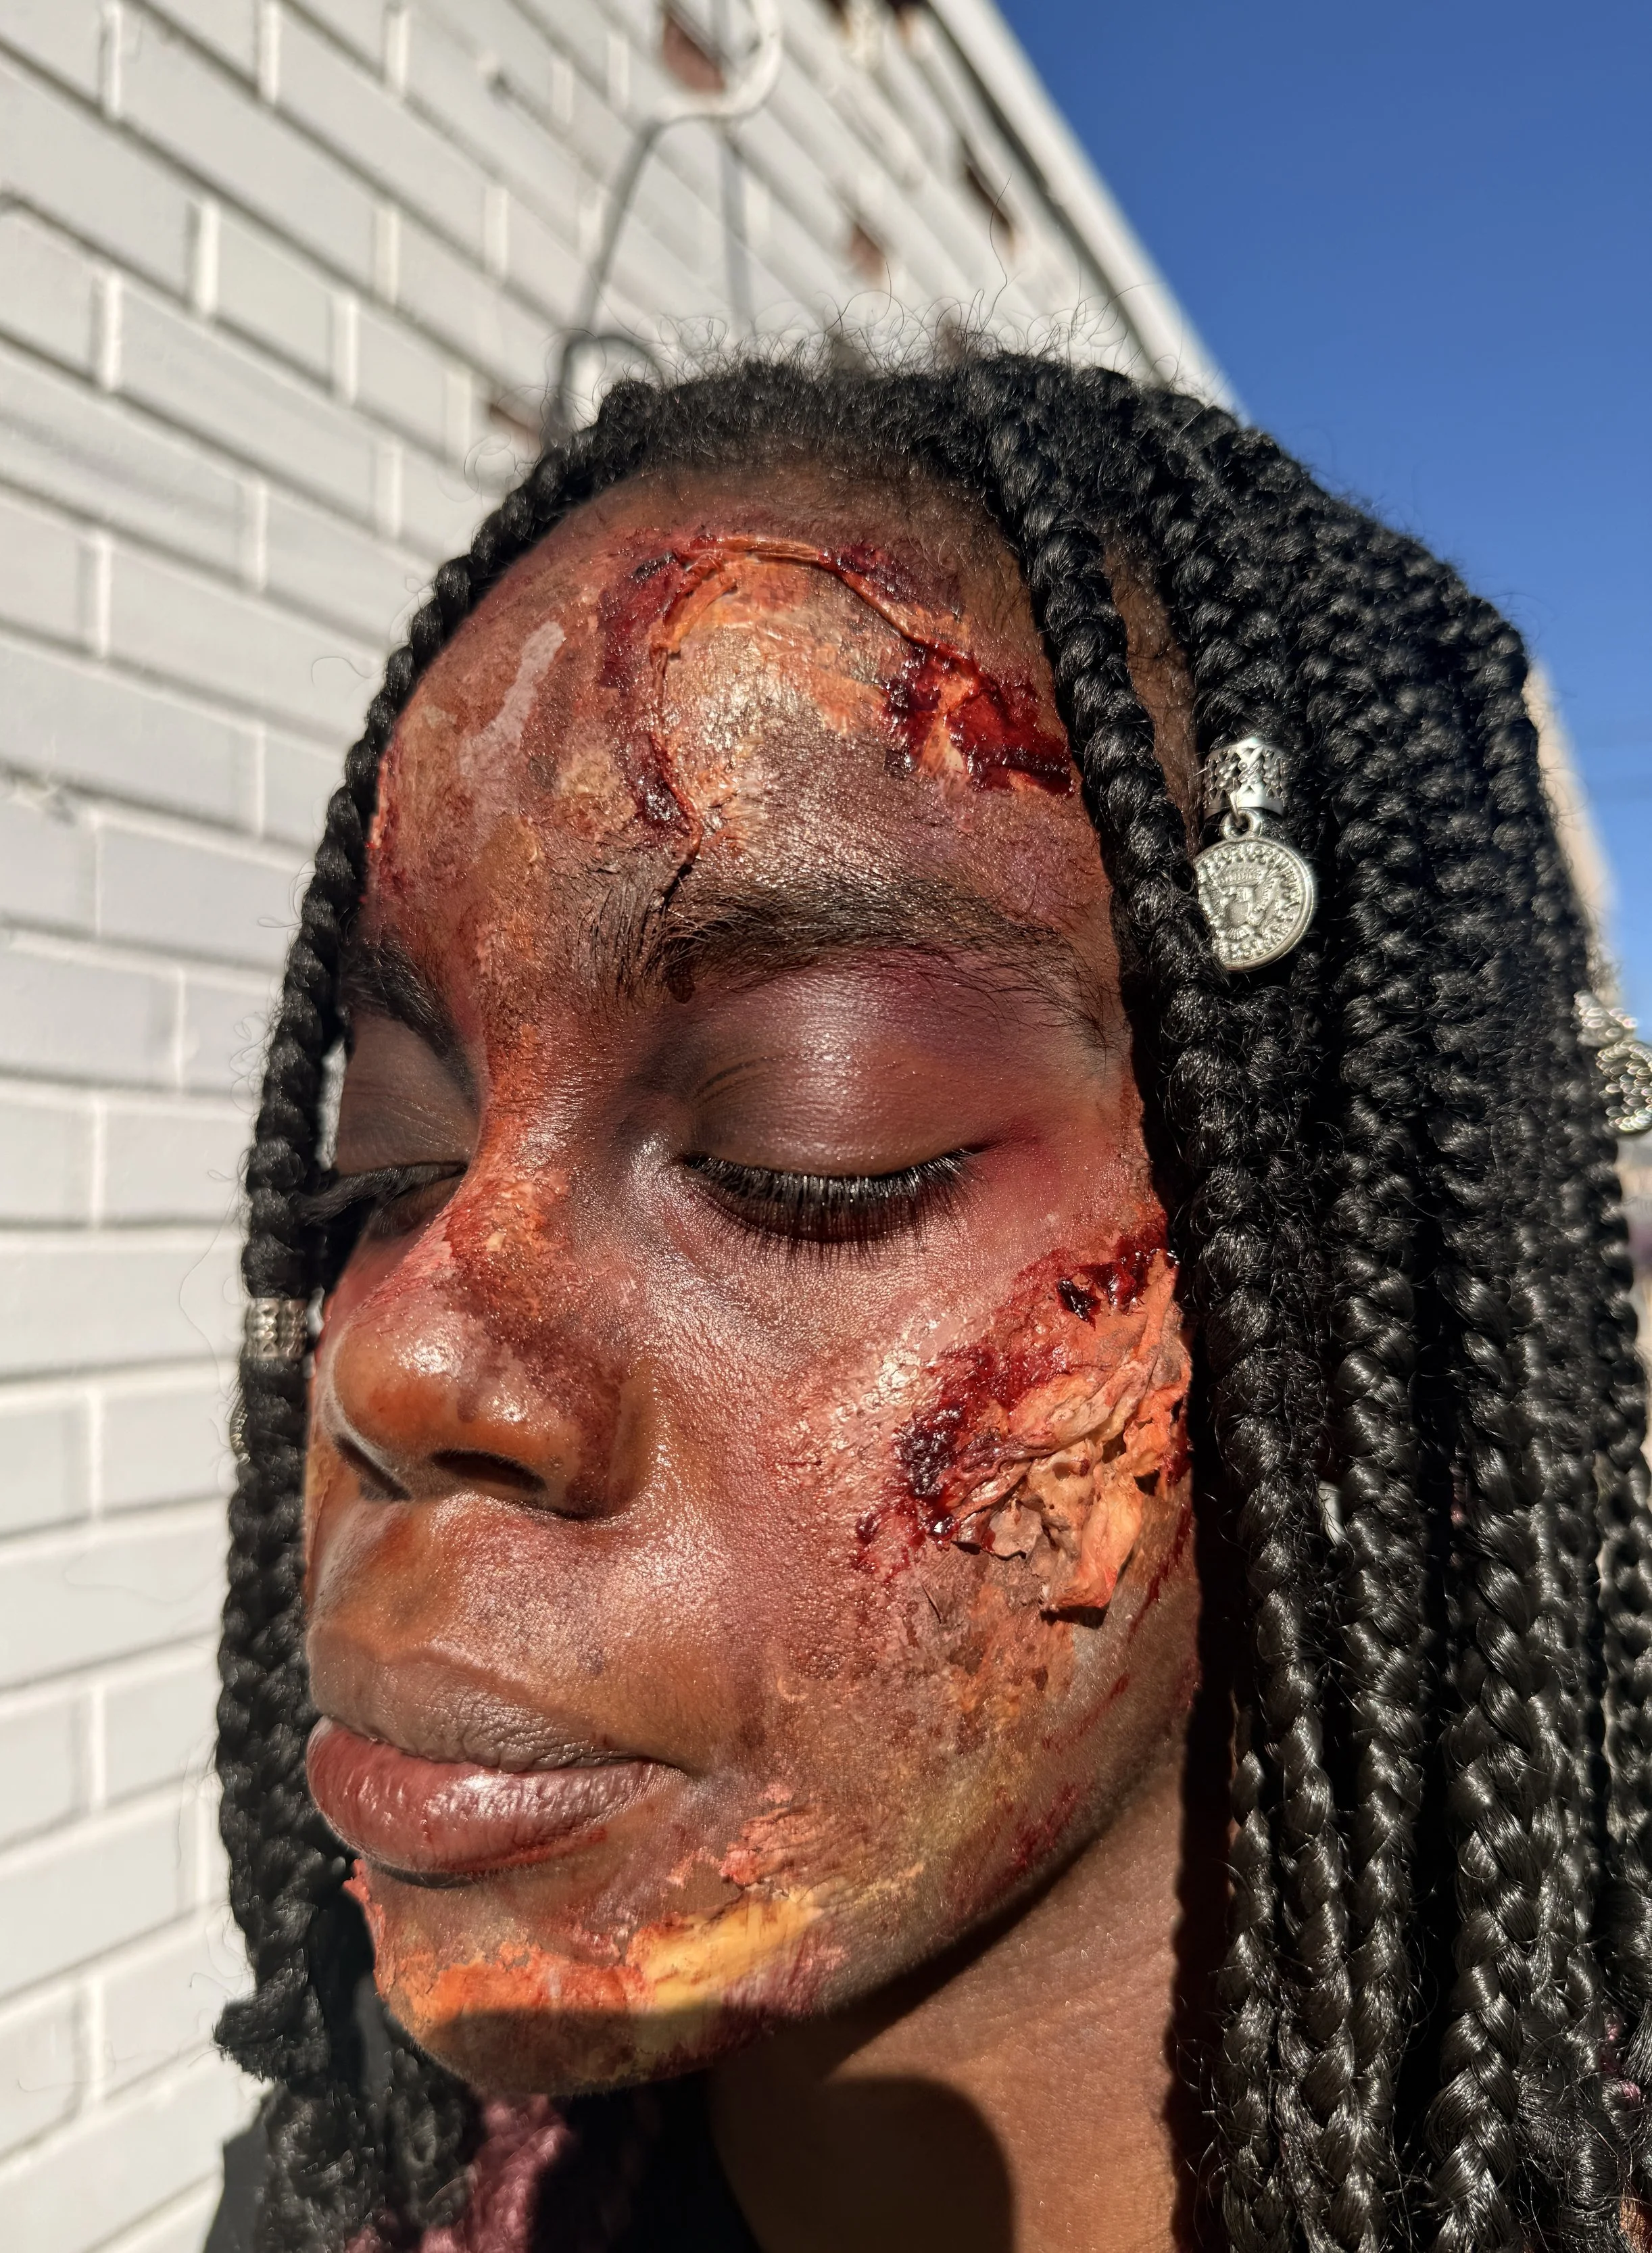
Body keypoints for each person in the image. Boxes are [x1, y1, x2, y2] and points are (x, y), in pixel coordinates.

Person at [212, 353, 1652, 2253]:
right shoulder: (356, 2207)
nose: (398, 1351)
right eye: (387, 1165)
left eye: (806, 1141)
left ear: (1317, 1312)